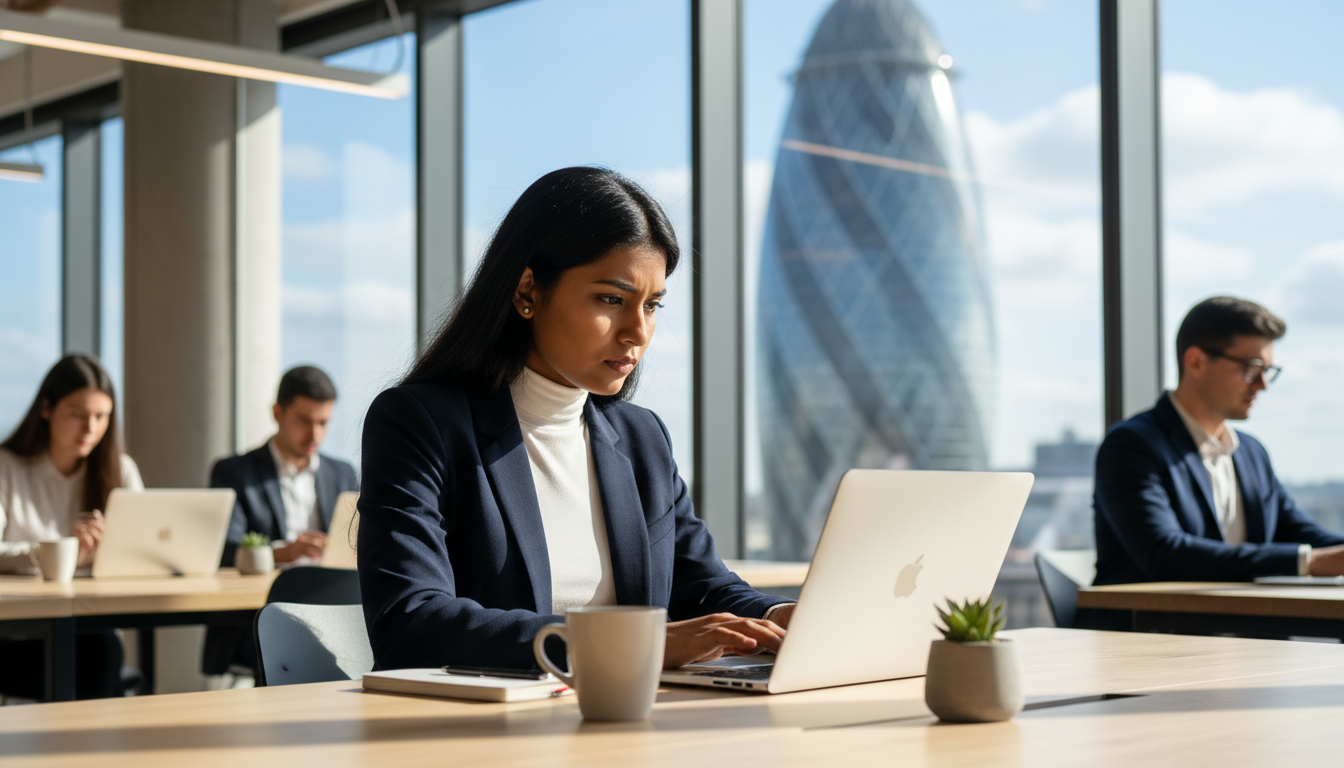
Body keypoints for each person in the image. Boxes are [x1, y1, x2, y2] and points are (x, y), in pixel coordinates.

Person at [358, 167, 795, 673]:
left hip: (628, 724)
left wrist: (776, 616)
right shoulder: (419, 423)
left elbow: (700, 584)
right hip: (490, 737)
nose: (638, 332)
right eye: (612, 299)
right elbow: (410, 621)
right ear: (527, 291)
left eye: (651, 306)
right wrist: (635, 644)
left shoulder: (641, 437)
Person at [1093, 296, 1344, 588]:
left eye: (1267, 371)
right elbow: (1166, 555)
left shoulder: (1250, 451)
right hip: (1148, 628)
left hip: (1243, 624)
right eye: (1252, 367)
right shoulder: (1131, 446)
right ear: (1196, 362)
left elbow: (1296, 531)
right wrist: (1310, 562)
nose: (1262, 384)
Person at [0, 354, 143, 699]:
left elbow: (143, 548)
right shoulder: (7, 467)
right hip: (16, 632)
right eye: (78, 415)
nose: (90, 428)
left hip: (90, 626)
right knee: (99, 656)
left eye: (101, 416)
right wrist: (62, 553)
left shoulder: (120, 470)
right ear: (46, 409)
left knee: (101, 649)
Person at [202, 365, 359, 678]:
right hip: (257, 617)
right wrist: (282, 553)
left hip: (333, 612)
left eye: (323, 423)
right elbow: (223, 550)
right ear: (278, 413)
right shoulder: (235, 473)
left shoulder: (342, 474)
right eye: (304, 421)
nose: (314, 434)